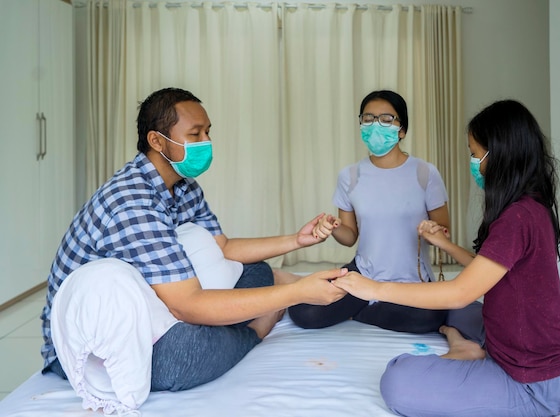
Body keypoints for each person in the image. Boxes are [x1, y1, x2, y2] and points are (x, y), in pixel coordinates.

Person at [40, 87, 347, 392]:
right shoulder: (133, 202)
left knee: (257, 271)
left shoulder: (185, 186)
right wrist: (294, 293)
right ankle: (254, 330)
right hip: (97, 338)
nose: (207, 143)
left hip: (158, 301)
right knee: (185, 358)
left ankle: (224, 324)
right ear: (157, 141)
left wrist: (297, 240)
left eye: (208, 133)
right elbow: (189, 305)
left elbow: (223, 248)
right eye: (196, 134)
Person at [331, 99, 560, 417]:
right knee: (456, 312)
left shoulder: (516, 217)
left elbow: (462, 290)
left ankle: (473, 351)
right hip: (535, 347)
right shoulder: (530, 206)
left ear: (501, 156)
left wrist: (373, 289)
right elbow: (487, 269)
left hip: (531, 386)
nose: (474, 163)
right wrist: (444, 245)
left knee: (397, 379)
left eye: (476, 155)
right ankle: (559, 343)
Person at [288, 90, 483, 345]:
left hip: (410, 280)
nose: (375, 125)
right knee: (303, 312)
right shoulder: (350, 176)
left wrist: (433, 231)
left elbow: (444, 230)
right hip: (363, 274)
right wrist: (333, 227)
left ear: (402, 129)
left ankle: (359, 309)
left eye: (386, 119)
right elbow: (349, 237)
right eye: (368, 119)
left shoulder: (425, 173)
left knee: (428, 318)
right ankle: (366, 304)